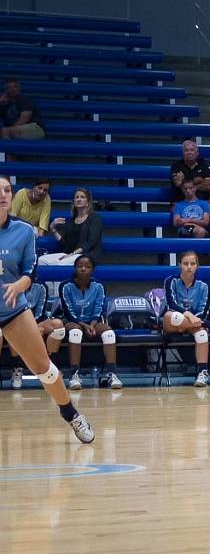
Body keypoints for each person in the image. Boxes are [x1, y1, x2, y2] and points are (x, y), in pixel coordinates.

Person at [0, 174, 94, 440]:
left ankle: (71, 414)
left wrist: (19, 285)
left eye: (7, 190)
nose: (3, 195)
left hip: (13, 310)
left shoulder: (23, 231)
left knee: (44, 367)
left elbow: (31, 270)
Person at [162, 251, 210, 388]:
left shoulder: (203, 286)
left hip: (195, 324)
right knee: (175, 316)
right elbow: (171, 304)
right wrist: (189, 315)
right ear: (179, 265)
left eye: (192, 264)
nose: (189, 267)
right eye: (185, 263)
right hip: (171, 321)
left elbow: (203, 311)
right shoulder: (170, 281)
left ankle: (202, 373)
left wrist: (194, 320)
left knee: (202, 334)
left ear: (197, 266)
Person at [59, 255, 121, 390]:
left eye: (87, 267)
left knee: (109, 333)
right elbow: (68, 311)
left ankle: (112, 374)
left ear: (92, 269)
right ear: (75, 268)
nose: (83, 269)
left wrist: (92, 325)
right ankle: (74, 375)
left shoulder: (99, 286)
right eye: (80, 266)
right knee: (75, 332)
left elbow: (98, 310)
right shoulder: (65, 286)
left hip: (93, 321)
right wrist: (84, 325)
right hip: (72, 321)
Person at [38, 188, 102, 266]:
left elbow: (91, 242)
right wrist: (53, 229)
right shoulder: (71, 220)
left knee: (60, 264)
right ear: (73, 202)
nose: (79, 199)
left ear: (88, 202)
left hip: (85, 255)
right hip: (69, 254)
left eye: (82, 197)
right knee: (41, 260)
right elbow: (64, 243)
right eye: (77, 197)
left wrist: (73, 253)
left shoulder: (94, 218)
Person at [169, 139, 210, 203]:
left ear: (197, 153)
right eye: (186, 150)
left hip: (201, 202)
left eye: (192, 150)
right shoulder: (176, 165)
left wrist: (186, 183)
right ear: (183, 153)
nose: (189, 152)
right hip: (181, 203)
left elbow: (209, 185)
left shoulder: (203, 164)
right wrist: (198, 181)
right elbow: (178, 183)